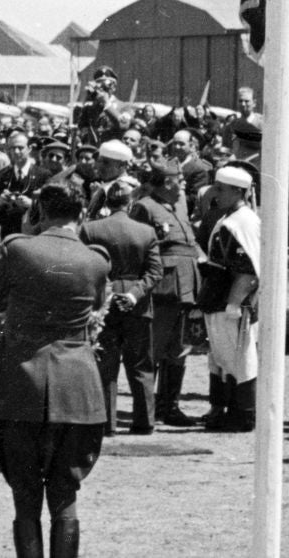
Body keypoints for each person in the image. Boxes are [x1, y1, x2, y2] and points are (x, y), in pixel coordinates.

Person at [0, 182, 109, 558]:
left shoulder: (19, 250)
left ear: (38, 212)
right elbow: (97, 304)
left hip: (21, 379)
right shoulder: (96, 259)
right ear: (80, 215)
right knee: (66, 495)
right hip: (77, 385)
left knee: (25, 492)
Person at [80, 178, 162, 435]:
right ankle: (144, 422)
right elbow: (155, 271)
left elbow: (85, 267)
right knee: (141, 365)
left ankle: (107, 423)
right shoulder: (146, 232)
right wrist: (135, 294)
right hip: (137, 305)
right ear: (131, 202)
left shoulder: (91, 229)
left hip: (103, 303)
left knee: (105, 364)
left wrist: (106, 292)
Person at [130, 158, 204, 427]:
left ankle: (169, 407)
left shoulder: (180, 206)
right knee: (153, 349)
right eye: (179, 180)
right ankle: (147, 409)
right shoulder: (144, 207)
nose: (183, 184)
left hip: (185, 288)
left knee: (179, 349)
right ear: (167, 182)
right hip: (162, 289)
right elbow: (138, 247)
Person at [201, 165, 261, 433]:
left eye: (221, 189)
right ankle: (229, 410)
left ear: (239, 191)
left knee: (239, 358)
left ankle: (243, 414)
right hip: (219, 296)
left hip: (231, 301)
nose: (216, 194)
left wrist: (234, 304)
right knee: (223, 357)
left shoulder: (241, 222)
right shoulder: (230, 217)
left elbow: (248, 270)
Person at [0, 132, 50, 238]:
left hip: (31, 234)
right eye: (13, 148)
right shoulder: (5, 174)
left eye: (20, 148)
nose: (16, 152)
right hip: (8, 233)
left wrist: (32, 204)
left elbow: (48, 209)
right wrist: (0, 201)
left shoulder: (42, 174)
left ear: (29, 149)